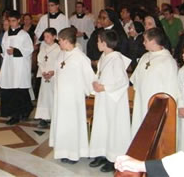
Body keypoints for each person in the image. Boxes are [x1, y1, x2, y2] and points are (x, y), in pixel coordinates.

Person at [49, 27, 95, 163]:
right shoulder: (61, 54)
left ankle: (74, 153)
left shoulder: (80, 58)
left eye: (59, 41)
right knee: (62, 124)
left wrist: (91, 91)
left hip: (73, 99)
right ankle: (63, 151)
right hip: (61, 98)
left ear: (66, 40)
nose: (58, 43)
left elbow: (89, 78)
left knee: (72, 125)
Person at [89, 30, 131, 173]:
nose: (97, 43)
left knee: (113, 127)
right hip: (103, 98)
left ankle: (113, 158)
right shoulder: (104, 56)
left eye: (99, 41)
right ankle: (102, 153)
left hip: (114, 101)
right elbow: (99, 74)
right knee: (102, 125)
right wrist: (95, 83)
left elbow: (123, 82)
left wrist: (105, 87)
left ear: (105, 43)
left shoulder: (116, 59)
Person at [130, 27, 179, 138]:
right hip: (141, 100)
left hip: (156, 104)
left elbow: (172, 87)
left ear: (153, 42)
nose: (143, 43)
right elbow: (136, 78)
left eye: (145, 40)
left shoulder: (168, 61)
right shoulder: (145, 56)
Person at [0, 10, 34, 125]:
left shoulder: (24, 35)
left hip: (20, 66)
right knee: (11, 88)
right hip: (8, 65)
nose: (11, 23)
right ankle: (21, 110)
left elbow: (29, 50)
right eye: (9, 21)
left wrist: (15, 51)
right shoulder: (6, 34)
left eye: (13, 21)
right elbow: (3, 49)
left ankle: (17, 115)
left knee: (19, 89)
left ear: (18, 21)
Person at [34, 27, 61, 129]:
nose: (45, 39)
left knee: (53, 96)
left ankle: (54, 117)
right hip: (44, 75)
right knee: (44, 97)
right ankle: (44, 118)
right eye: (44, 36)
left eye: (48, 36)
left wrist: (53, 72)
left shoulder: (58, 48)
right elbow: (40, 60)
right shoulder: (43, 47)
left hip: (54, 77)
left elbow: (60, 62)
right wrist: (43, 71)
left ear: (54, 37)